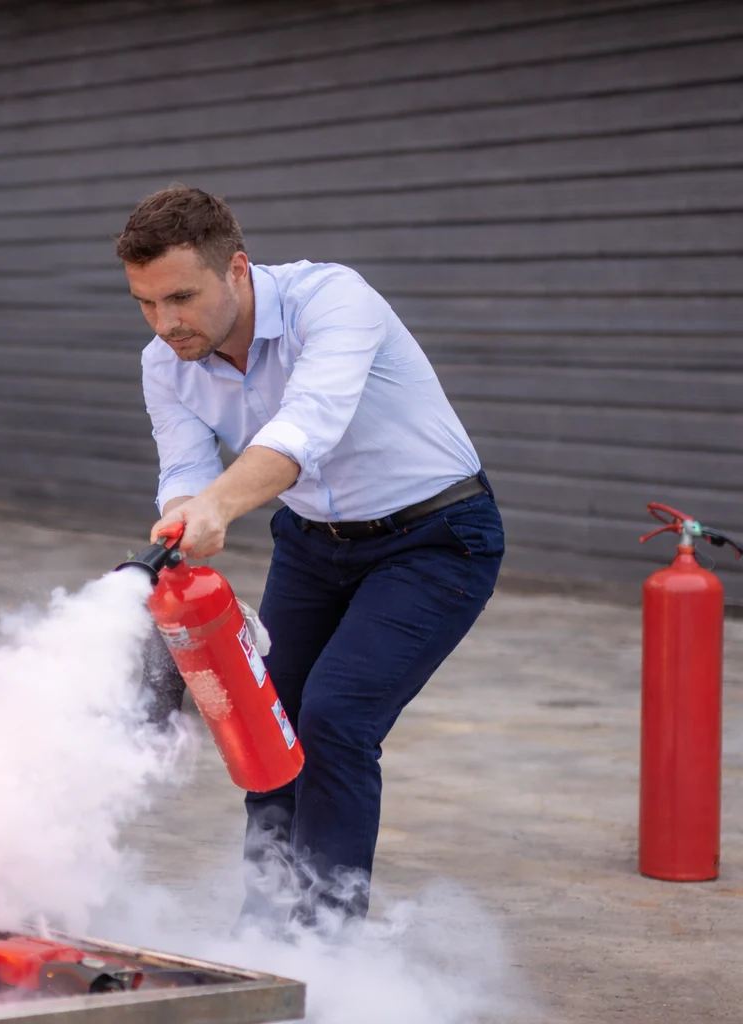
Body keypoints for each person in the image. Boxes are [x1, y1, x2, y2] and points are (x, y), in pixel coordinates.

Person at [120, 186, 504, 932]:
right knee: (271, 722)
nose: (166, 324)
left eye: (181, 298)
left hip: (436, 537)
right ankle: (264, 927)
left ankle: (327, 944)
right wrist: (181, 515)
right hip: (310, 543)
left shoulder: (332, 300)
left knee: (334, 720)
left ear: (235, 269)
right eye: (145, 303)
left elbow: (306, 427)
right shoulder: (164, 363)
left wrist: (220, 506)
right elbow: (185, 471)